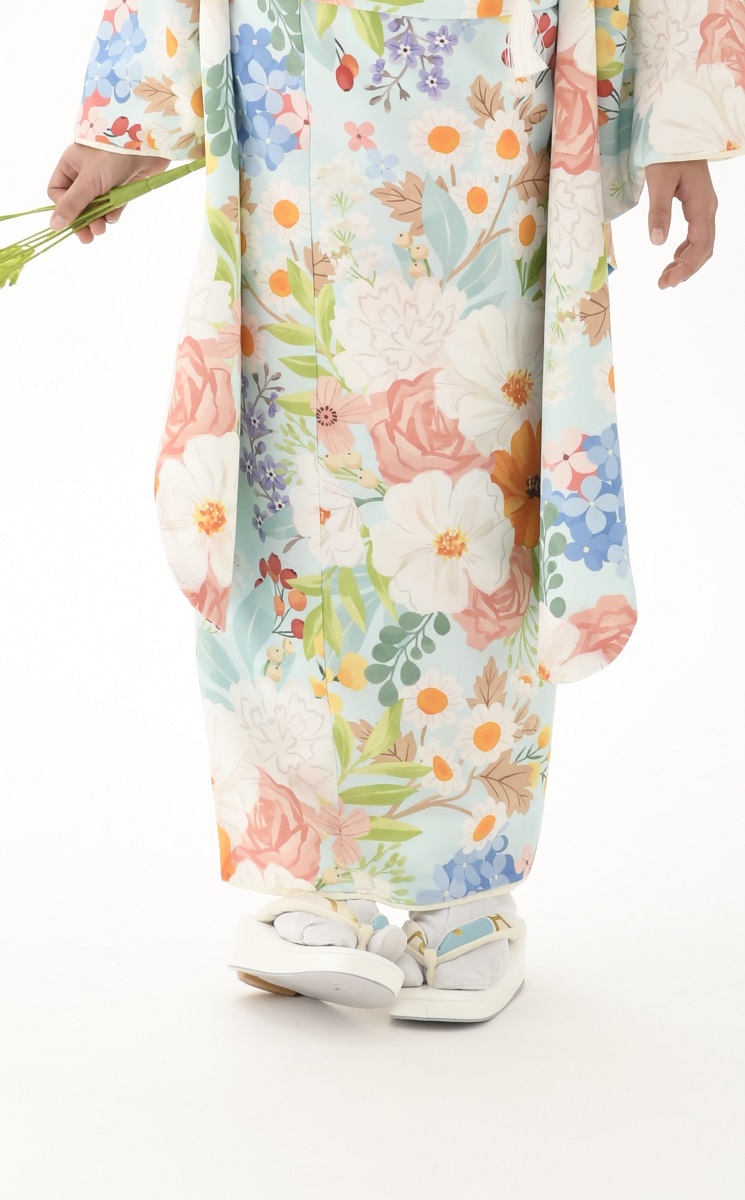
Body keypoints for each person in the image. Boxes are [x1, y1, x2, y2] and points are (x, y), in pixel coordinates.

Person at [46, 0, 745, 1022]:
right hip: (287, 67)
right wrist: (129, 112)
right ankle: (307, 877)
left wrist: (681, 115)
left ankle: (465, 889)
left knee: (479, 459)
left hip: (496, 79)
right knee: (287, 463)